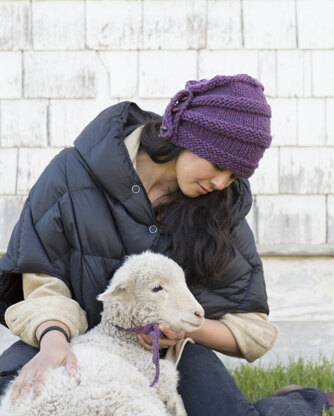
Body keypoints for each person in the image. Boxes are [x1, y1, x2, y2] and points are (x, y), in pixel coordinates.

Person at [0, 74, 332, 415]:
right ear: (184, 137)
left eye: (234, 175)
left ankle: (303, 398)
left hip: (170, 356)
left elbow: (253, 331)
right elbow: (41, 282)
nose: (220, 182)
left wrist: (183, 325)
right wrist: (53, 342)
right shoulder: (72, 176)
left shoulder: (221, 207)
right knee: (15, 393)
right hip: (67, 339)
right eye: (218, 165)